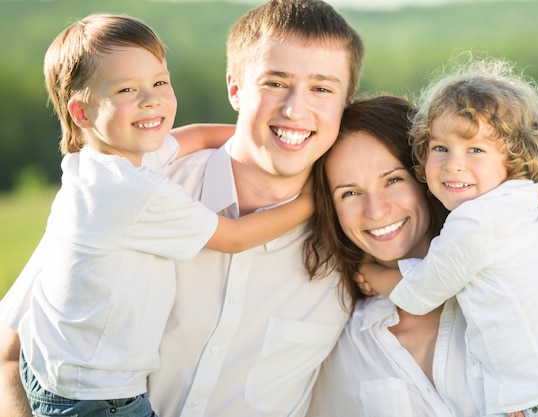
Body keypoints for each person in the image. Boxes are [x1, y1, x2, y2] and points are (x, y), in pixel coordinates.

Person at [0, 1, 365, 417]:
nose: (295, 110)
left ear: (345, 103)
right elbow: (9, 351)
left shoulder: (356, 235)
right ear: (235, 89)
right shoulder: (130, 192)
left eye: (322, 88)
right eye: (275, 83)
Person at [360, 56, 538, 416]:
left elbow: (419, 295)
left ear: (512, 159)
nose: (454, 163)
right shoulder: (515, 205)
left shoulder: (477, 221)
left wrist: (371, 272)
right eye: (440, 148)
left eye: (475, 150)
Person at [303, 94, 481, 416]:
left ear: (427, 176)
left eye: (393, 180)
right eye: (350, 193)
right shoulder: (340, 344)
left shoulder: (502, 294)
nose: (376, 210)